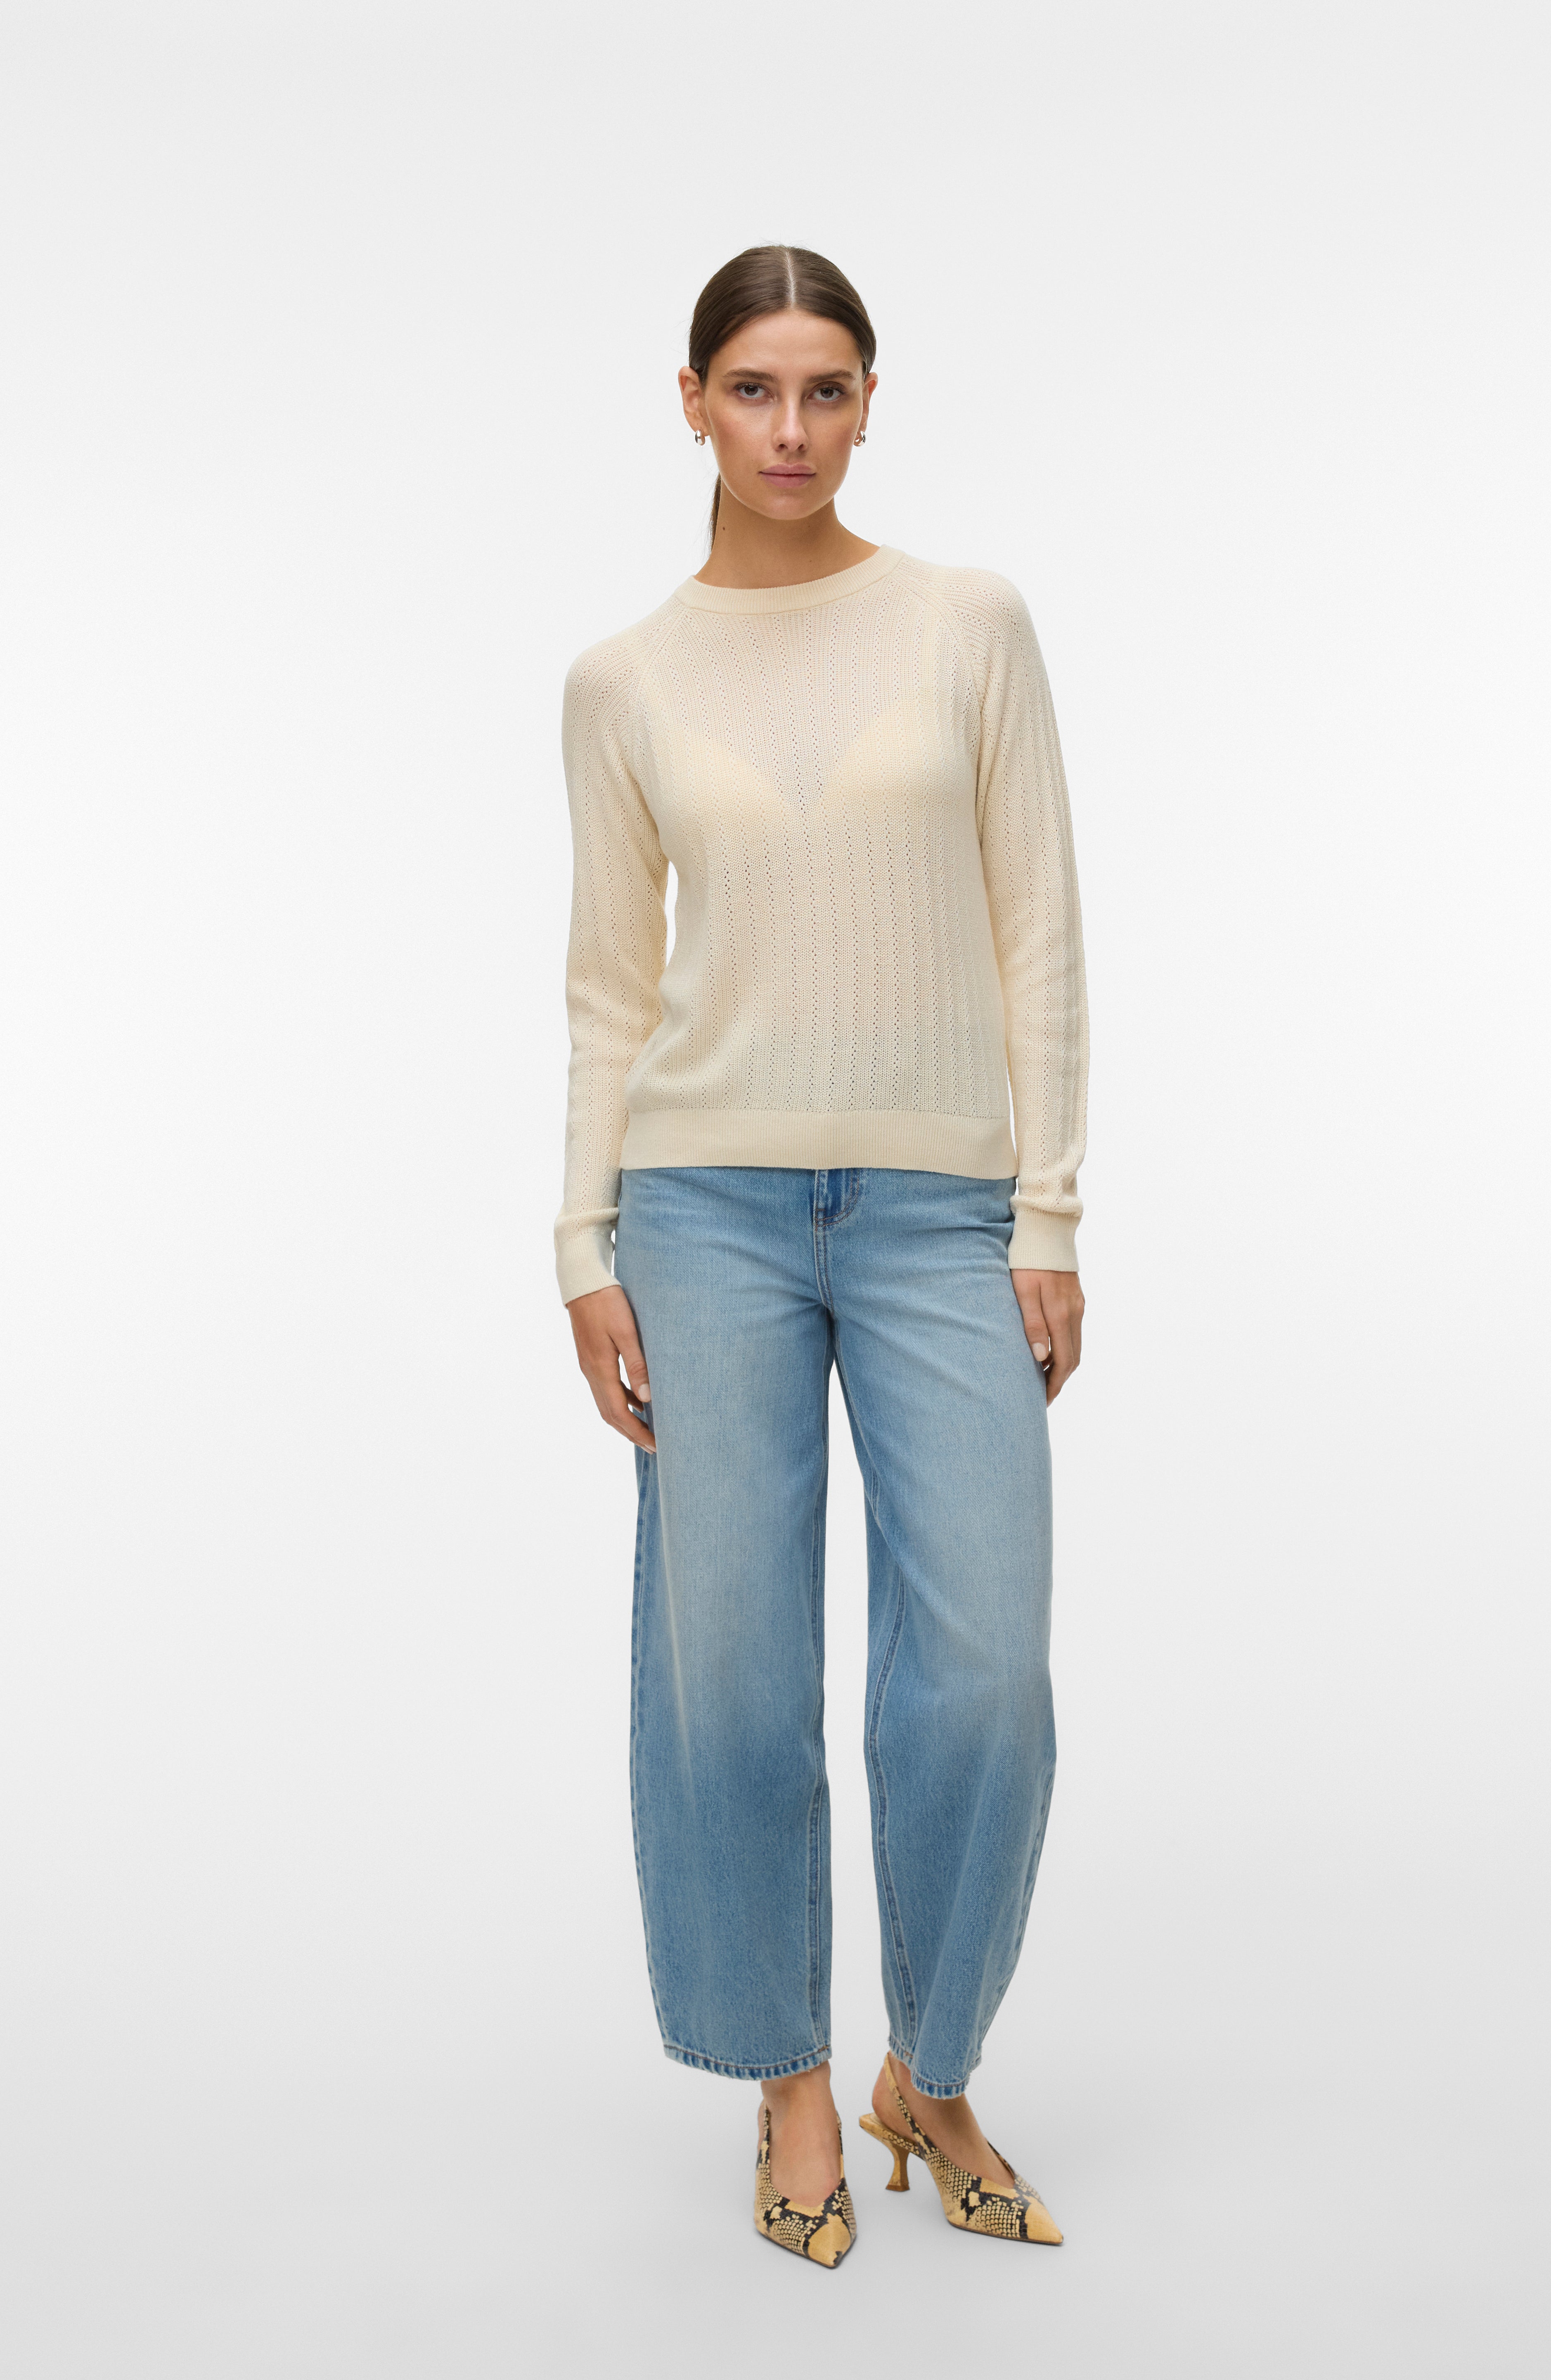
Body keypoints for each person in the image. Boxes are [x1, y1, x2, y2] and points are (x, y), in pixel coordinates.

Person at [554, 244, 1087, 2266]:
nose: (791, 429)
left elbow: (1038, 925)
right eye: (755, 389)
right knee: (733, 1671)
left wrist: (1049, 1212)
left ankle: (925, 2070)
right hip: (699, 1206)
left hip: (944, 1211)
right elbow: (610, 985)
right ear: (690, 400)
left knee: (986, 1676)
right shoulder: (623, 679)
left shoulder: (966, 624)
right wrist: (582, 1242)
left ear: (871, 404)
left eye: (828, 389)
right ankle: (785, 2072)